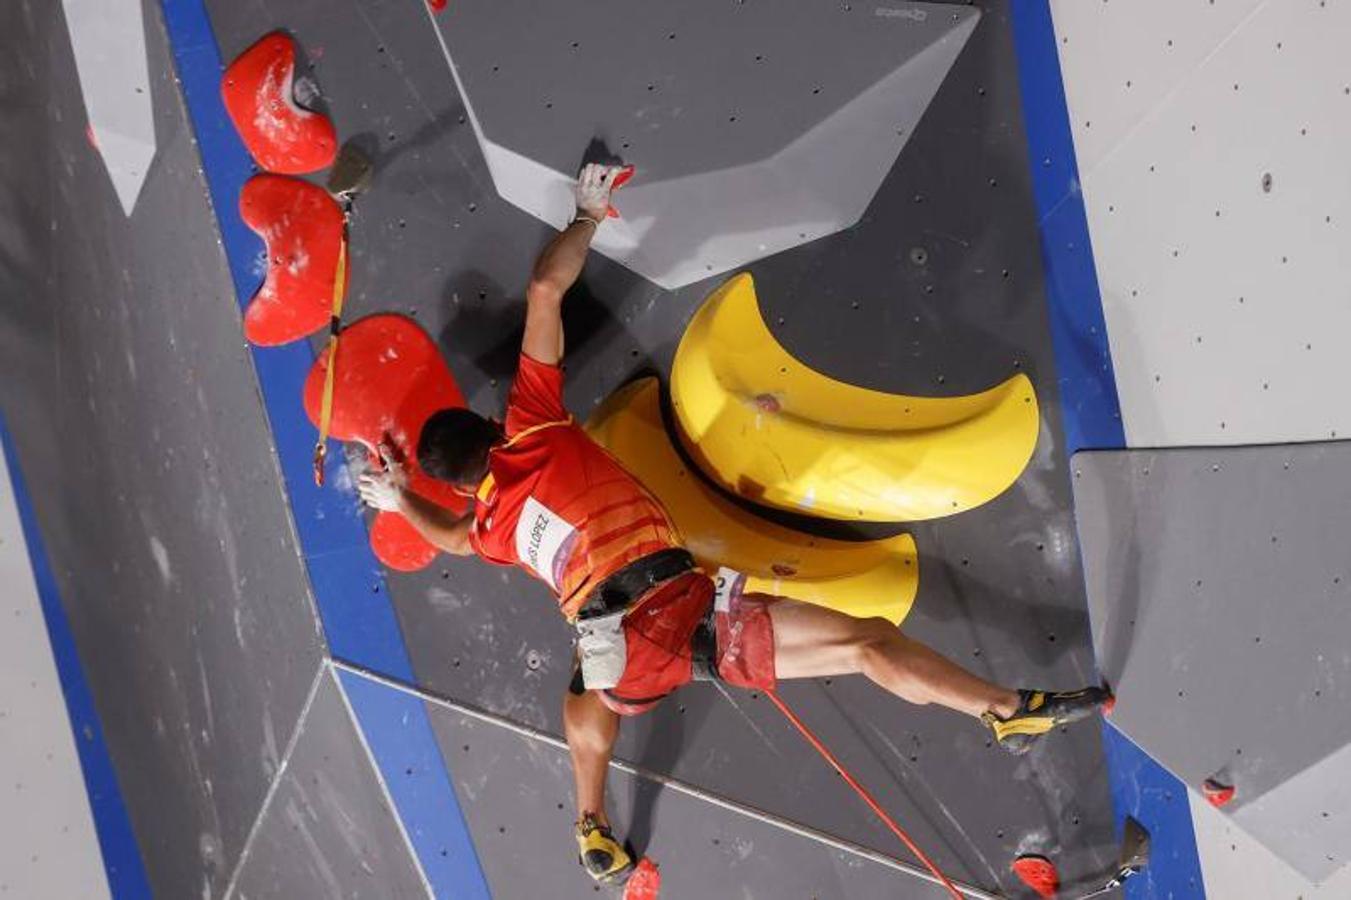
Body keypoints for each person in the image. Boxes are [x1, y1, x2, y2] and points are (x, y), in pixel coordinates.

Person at [357, 163, 1110, 885]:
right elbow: (545, 289)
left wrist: (399, 503)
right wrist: (585, 215)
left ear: (462, 487)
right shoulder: (531, 428)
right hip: (673, 615)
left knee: (589, 692)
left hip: (618, 654)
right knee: (865, 643)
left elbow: (450, 537)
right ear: (493, 426)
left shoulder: (490, 530)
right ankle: (1003, 709)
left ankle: (590, 826)